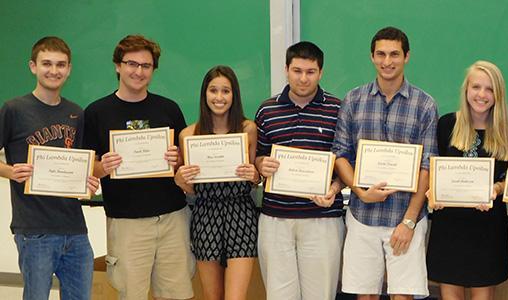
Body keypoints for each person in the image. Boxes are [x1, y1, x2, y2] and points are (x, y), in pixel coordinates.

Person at [83, 34, 194, 300]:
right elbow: (87, 168)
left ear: (153, 70)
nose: (138, 71)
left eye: (146, 66)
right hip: (126, 221)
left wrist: (176, 158)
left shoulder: (169, 109)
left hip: (173, 218)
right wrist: (103, 166)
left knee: (177, 294)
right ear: (117, 66)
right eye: (132, 64)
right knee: (131, 294)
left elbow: (184, 163)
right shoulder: (97, 112)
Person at [332, 26, 438, 299]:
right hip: (362, 216)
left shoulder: (425, 104)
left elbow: (426, 166)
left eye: (394, 54)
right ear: (372, 57)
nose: (387, 61)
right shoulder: (353, 100)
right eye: (381, 54)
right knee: (364, 294)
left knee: (402, 295)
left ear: (407, 56)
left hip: (405, 216)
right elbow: (341, 154)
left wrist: (410, 222)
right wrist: (360, 191)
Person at [0, 36, 99, 300]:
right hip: (35, 231)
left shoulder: (76, 113)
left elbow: (78, 164)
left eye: (60, 65)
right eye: (46, 63)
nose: (53, 71)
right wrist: (9, 171)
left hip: (75, 229)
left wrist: (87, 181)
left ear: (69, 69)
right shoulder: (14, 109)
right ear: (33, 66)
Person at [253, 41, 345, 300]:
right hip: (275, 219)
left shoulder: (338, 109)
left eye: (310, 71)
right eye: (297, 71)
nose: (303, 78)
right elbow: (257, 158)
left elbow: (347, 161)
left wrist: (334, 187)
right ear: (286, 69)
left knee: (320, 295)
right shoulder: (267, 110)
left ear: (321, 72)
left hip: (322, 218)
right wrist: (262, 164)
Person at [425, 60, 508, 300]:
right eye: (476, 87)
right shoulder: (446, 125)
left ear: (498, 95)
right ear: (466, 90)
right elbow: (433, 170)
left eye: (489, 89)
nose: (482, 95)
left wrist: (496, 188)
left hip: (487, 229)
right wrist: (433, 192)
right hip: (450, 226)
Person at [174, 66, 259, 300]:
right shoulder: (188, 135)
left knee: (235, 298)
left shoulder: (247, 130)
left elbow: (254, 180)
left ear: (234, 95)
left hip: (240, 213)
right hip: (205, 215)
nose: (219, 97)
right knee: (212, 297)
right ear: (204, 95)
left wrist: (254, 175)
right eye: (213, 90)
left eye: (226, 91)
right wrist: (180, 181)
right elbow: (190, 189)